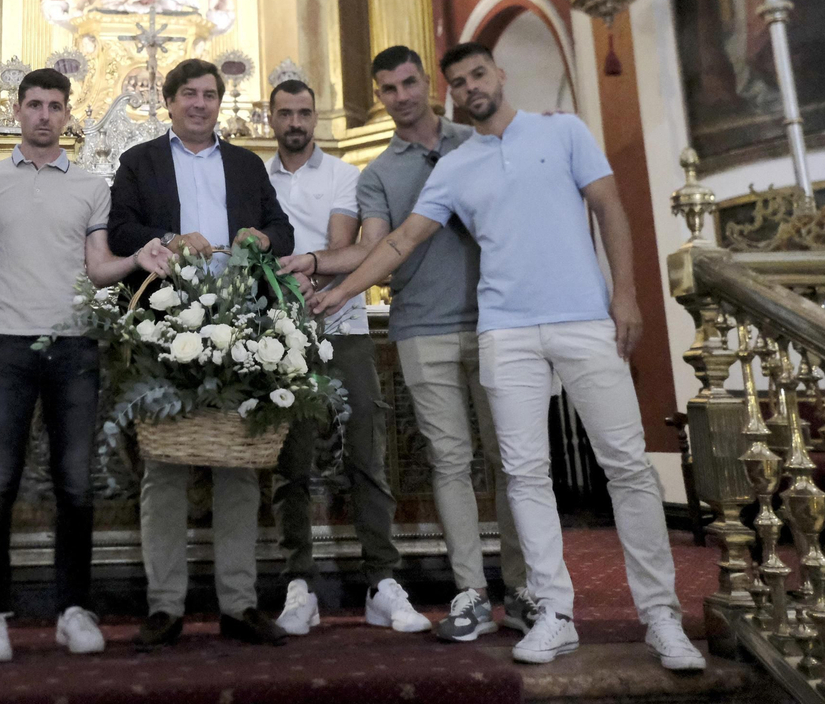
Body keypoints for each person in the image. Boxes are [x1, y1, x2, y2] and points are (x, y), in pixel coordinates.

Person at [311, 41, 707, 672]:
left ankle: (661, 616)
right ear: (452, 93)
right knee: (524, 476)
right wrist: (336, 295)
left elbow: (610, 207)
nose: (471, 87)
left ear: (499, 75)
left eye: (478, 75)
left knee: (628, 466)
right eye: (459, 81)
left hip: (582, 319)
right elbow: (399, 245)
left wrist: (626, 296)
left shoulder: (564, 131)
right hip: (505, 331)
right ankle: (554, 612)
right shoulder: (455, 168)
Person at [279, 46, 532, 643]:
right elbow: (378, 246)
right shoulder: (377, 174)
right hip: (420, 324)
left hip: (498, 320)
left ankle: (526, 589)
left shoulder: (480, 143)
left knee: (512, 464)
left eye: (410, 83)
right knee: (450, 462)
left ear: (429, 84)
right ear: (379, 97)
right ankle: (471, 590)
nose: (402, 96)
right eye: (389, 89)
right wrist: (333, 282)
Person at [0, 68, 173, 663]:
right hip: (4, 346)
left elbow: (98, 267)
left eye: (55, 106)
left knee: (75, 486)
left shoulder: (91, 185)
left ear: (69, 115)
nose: (45, 115)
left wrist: (138, 258)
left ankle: (73, 608)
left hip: (75, 347)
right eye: (34, 105)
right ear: (18, 111)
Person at [107, 58, 295, 650]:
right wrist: (164, 240)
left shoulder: (245, 164)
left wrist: (263, 238)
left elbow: (281, 232)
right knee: (164, 466)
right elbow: (118, 233)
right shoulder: (140, 162)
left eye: (210, 95)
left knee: (239, 468)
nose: (199, 103)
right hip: (167, 323)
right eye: (188, 94)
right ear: (169, 102)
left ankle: (239, 605)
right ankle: (165, 607)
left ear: (220, 103)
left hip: (242, 325)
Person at [265, 79, 430, 638]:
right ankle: (299, 584)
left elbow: (349, 247)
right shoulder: (254, 178)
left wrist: (311, 267)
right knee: (291, 460)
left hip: (344, 325)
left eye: (304, 112)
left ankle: (382, 581)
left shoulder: (342, 174)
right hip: (278, 335)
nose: (295, 121)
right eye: (285, 112)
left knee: (366, 448)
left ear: (315, 118)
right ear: (270, 118)